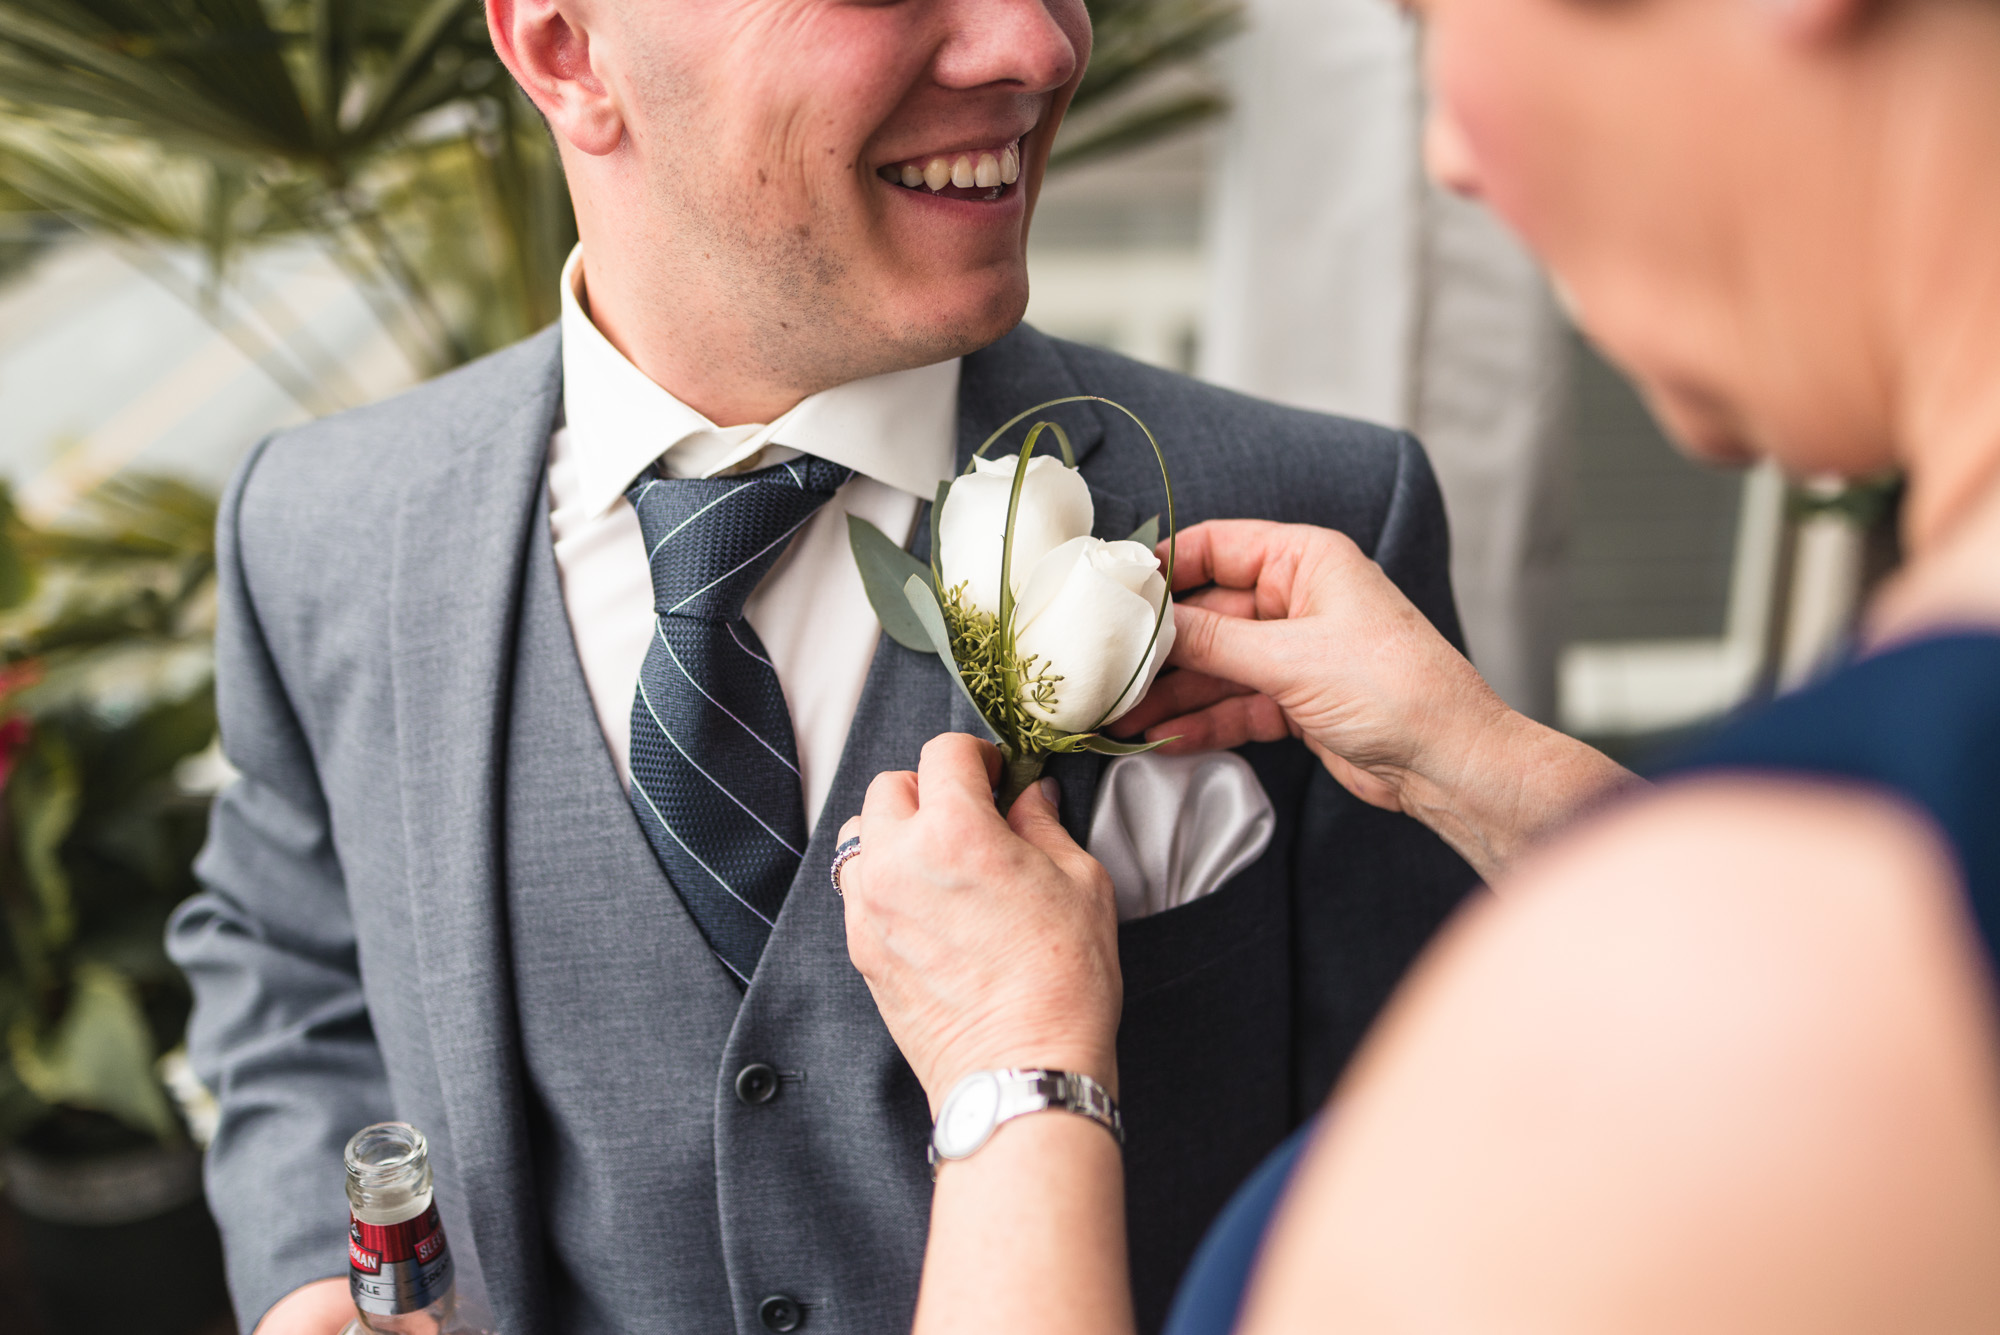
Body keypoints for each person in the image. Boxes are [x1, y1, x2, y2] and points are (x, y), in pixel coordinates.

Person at [164, 0, 1483, 1331]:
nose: (1036, 45)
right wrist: (310, 1280)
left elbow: (1444, 1148)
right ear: (567, 50)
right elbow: (286, 963)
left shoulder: (1315, 518)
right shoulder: (319, 527)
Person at [835, 0, 2000, 1328]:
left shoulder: (1783, 994)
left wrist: (1015, 1073)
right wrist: (1486, 767)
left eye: (1435, 9)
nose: (1448, 151)